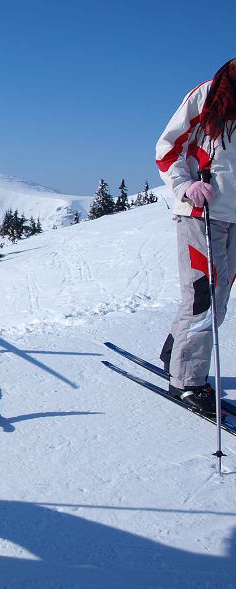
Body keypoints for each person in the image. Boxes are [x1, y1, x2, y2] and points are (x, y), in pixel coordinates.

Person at [155, 57, 236, 415]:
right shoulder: (209, 95)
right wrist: (184, 185)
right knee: (204, 297)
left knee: (218, 298)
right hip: (202, 213)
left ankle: (175, 353)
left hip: (234, 218)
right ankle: (187, 381)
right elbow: (168, 147)